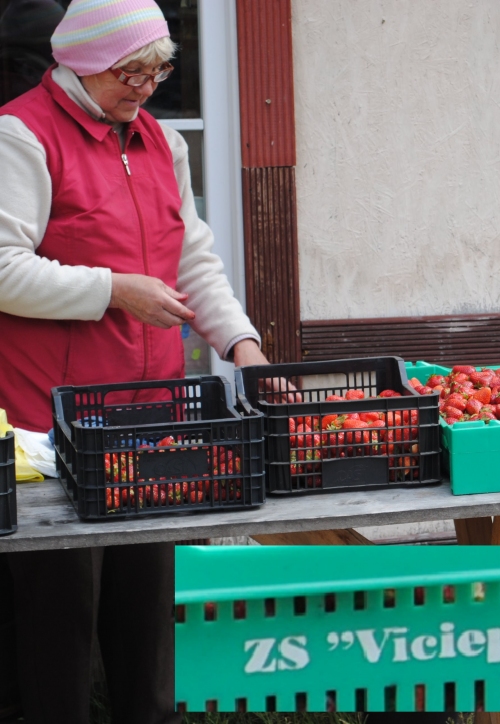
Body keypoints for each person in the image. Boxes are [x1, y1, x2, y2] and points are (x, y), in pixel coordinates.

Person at [0, 0, 271, 721]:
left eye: (161, 69)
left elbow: (194, 260)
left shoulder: (158, 141)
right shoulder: (22, 133)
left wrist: (241, 345)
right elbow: (1, 268)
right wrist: (113, 290)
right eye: (133, 70)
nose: (150, 85)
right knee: (58, 617)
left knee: (149, 606)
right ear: (84, 62)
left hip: (155, 414)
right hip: (50, 422)